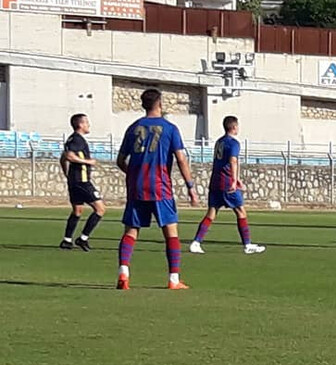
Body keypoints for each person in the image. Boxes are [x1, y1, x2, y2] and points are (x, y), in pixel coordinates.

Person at [115, 89, 199, 290]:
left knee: (131, 231)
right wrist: (191, 187)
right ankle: (173, 279)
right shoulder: (170, 129)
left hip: (136, 187)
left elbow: (120, 161)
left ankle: (123, 273)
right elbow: (181, 159)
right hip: (160, 186)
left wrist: (134, 175)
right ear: (159, 103)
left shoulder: (133, 128)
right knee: (170, 232)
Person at [190, 116, 266, 255]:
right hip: (226, 182)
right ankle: (247, 244)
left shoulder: (219, 142)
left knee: (212, 212)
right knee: (241, 211)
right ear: (234, 127)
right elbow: (233, 161)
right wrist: (234, 180)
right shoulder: (233, 143)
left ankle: (196, 242)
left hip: (215, 181)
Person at [58, 114, 106, 252]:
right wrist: (87, 161)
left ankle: (67, 240)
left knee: (77, 211)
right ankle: (83, 238)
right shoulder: (77, 140)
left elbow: (63, 158)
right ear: (80, 125)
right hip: (82, 181)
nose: (88, 125)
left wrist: (67, 174)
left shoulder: (71, 139)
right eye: (86, 122)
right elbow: (68, 156)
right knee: (100, 209)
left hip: (74, 181)